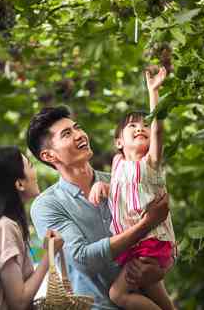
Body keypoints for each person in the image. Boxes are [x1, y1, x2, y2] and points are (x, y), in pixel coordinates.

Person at [27, 105, 170, 310]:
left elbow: (158, 235)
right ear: (49, 156)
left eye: (77, 128)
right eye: (67, 134)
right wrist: (147, 223)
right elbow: (84, 259)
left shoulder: (120, 181)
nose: (79, 135)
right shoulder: (47, 205)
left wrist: (159, 270)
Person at [89, 67, 176, 309]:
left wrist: (154, 91)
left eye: (144, 126)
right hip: (133, 242)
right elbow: (121, 188)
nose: (140, 128)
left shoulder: (150, 163)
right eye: (132, 127)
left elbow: (158, 129)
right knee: (157, 295)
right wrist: (102, 185)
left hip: (149, 241)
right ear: (118, 142)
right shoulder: (118, 164)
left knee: (118, 295)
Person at [0, 146, 63, 310]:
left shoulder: (1, 225)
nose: (35, 172)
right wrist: (49, 256)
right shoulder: (5, 228)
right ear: (19, 183)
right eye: (30, 166)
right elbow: (18, 302)